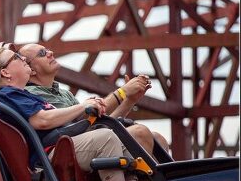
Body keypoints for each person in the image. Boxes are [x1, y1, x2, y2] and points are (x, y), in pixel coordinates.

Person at [0, 42, 137, 181]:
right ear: (5, 72)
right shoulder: (7, 95)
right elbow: (42, 120)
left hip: (60, 147)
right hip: (51, 155)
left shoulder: (22, 95)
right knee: (105, 138)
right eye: (17, 57)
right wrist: (82, 106)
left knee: (126, 141)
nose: (22, 59)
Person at [20, 43, 169, 157]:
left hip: (90, 142)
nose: (50, 53)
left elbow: (95, 125)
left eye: (47, 50)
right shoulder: (32, 94)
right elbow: (82, 122)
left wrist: (129, 100)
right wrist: (122, 92)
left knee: (157, 139)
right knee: (140, 133)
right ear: (31, 70)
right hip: (66, 152)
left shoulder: (64, 94)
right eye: (42, 53)